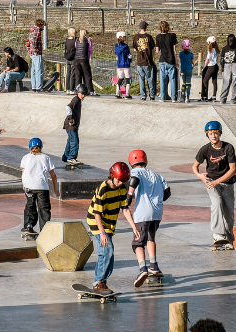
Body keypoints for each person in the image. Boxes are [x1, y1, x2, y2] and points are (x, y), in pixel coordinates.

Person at [87, 163, 137, 294]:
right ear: (112, 175)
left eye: (123, 181)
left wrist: (134, 228)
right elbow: (96, 213)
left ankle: (98, 281)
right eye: (118, 180)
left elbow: (125, 210)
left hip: (109, 224)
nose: (120, 183)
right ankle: (100, 282)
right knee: (107, 249)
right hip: (96, 222)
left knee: (106, 252)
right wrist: (102, 233)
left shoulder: (121, 189)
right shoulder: (103, 189)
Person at [127, 149, 170, 286]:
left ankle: (142, 269)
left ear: (131, 163)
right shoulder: (156, 175)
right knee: (151, 238)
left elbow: (134, 180)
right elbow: (167, 192)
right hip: (157, 213)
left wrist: (129, 196)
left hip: (142, 213)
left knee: (137, 243)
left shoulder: (135, 172)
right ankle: (154, 266)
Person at [193, 121, 236, 248]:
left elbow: (233, 169)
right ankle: (218, 234)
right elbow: (195, 166)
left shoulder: (228, 148)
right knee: (217, 203)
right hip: (211, 184)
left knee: (229, 213)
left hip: (227, 184)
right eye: (210, 133)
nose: (213, 136)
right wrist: (200, 176)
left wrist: (217, 181)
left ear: (220, 133)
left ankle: (229, 239)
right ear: (207, 135)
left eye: (216, 133)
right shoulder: (205, 149)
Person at [20, 138, 60, 235]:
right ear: (41, 147)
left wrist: (25, 186)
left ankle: (28, 225)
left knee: (30, 205)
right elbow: (53, 174)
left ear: (30, 147)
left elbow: (23, 174)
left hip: (28, 186)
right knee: (44, 208)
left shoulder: (25, 157)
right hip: (42, 186)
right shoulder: (45, 157)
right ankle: (45, 230)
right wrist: (55, 189)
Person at [63, 84, 86, 166]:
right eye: (82, 94)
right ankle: (71, 158)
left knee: (70, 141)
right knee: (74, 141)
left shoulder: (78, 100)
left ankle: (66, 156)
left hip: (71, 125)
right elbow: (68, 107)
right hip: (71, 125)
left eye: (84, 94)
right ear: (77, 92)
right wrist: (70, 118)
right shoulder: (76, 99)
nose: (83, 96)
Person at [156, 21, 179, 101]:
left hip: (162, 60)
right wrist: (176, 61)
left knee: (162, 79)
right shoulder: (172, 36)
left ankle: (162, 97)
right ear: (167, 27)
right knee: (172, 79)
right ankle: (173, 98)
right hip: (171, 60)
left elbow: (157, 50)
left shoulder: (158, 37)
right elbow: (174, 50)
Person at [132, 21, 155, 100]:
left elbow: (135, 49)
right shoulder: (149, 37)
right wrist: (153, 58)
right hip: (148, 61)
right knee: (150, 79)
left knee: (141, 79)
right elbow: (152, 49)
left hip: (139, 61)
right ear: (146, 27)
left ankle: (143, 95)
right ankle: (151, 95)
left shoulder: (135, 37)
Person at [218, 34, 236, 104]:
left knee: (226, 82)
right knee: (235, 83)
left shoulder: (225, 48)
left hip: (227, 65)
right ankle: (233, 100)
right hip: (235, 65)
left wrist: (222, 69)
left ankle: (222, 99)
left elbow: (222, 60)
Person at [72, 30, 95, 95]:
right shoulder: (88, 40)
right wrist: (88, 57)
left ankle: (77, 90)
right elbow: (90, 50)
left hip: (76, 59)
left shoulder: (76, 40)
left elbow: (76, 48)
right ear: (86, 34)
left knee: (78, 75)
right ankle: (90, 90)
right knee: (87, 75)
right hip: (84, 59)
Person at [27, 19, 46, 92]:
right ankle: (39, 87)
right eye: (43, 26)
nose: (43, 28)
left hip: (32, 53)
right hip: (36, 53)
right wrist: (36, 50)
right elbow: (34, 41)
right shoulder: (37, 30)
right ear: (40, 24)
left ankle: (34, 86)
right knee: (39, 70)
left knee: (34, 70)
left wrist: (30, 51)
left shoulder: (32, 30)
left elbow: (28, 42)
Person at [114, 32, 132, 99]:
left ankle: (117, 93)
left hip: (119, 65)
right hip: (126, 65)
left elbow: (116, 56)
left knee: (120, 79)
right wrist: (130, 60)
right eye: (124, 37)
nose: (125, 38)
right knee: (128, 79)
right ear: (121, 38)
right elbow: (129, 55)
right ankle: (127, 94)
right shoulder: (126, 46)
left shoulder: (116, 47)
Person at [201, 36, 219, 101]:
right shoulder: (217, 50)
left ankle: (205, 96)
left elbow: (207, 60)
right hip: (216, 66)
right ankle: (214, 96)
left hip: (210, 66)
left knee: (205, 81)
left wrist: (204, 67)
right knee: (214, 81)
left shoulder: (210, 50)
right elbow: (217, 59)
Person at [64, 28, 78, 94]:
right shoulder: (75, 40)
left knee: (68, 73)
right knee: (73, 73)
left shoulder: (67, 40)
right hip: (73, 58)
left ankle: (67, 89)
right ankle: (72, 89)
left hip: (67, 57)